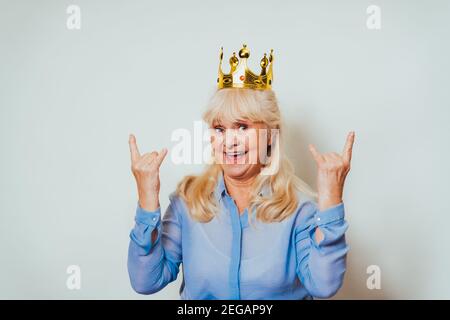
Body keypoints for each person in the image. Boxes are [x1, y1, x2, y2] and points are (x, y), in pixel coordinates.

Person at [127, 44, 355, 299]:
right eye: (220, 129)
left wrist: (331, 198)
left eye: (242, 127)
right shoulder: (187, 202)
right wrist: (147, 198)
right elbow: (145, 281)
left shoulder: (300, 208)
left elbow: (324, 285)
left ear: (270, 135)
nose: (229, 141)